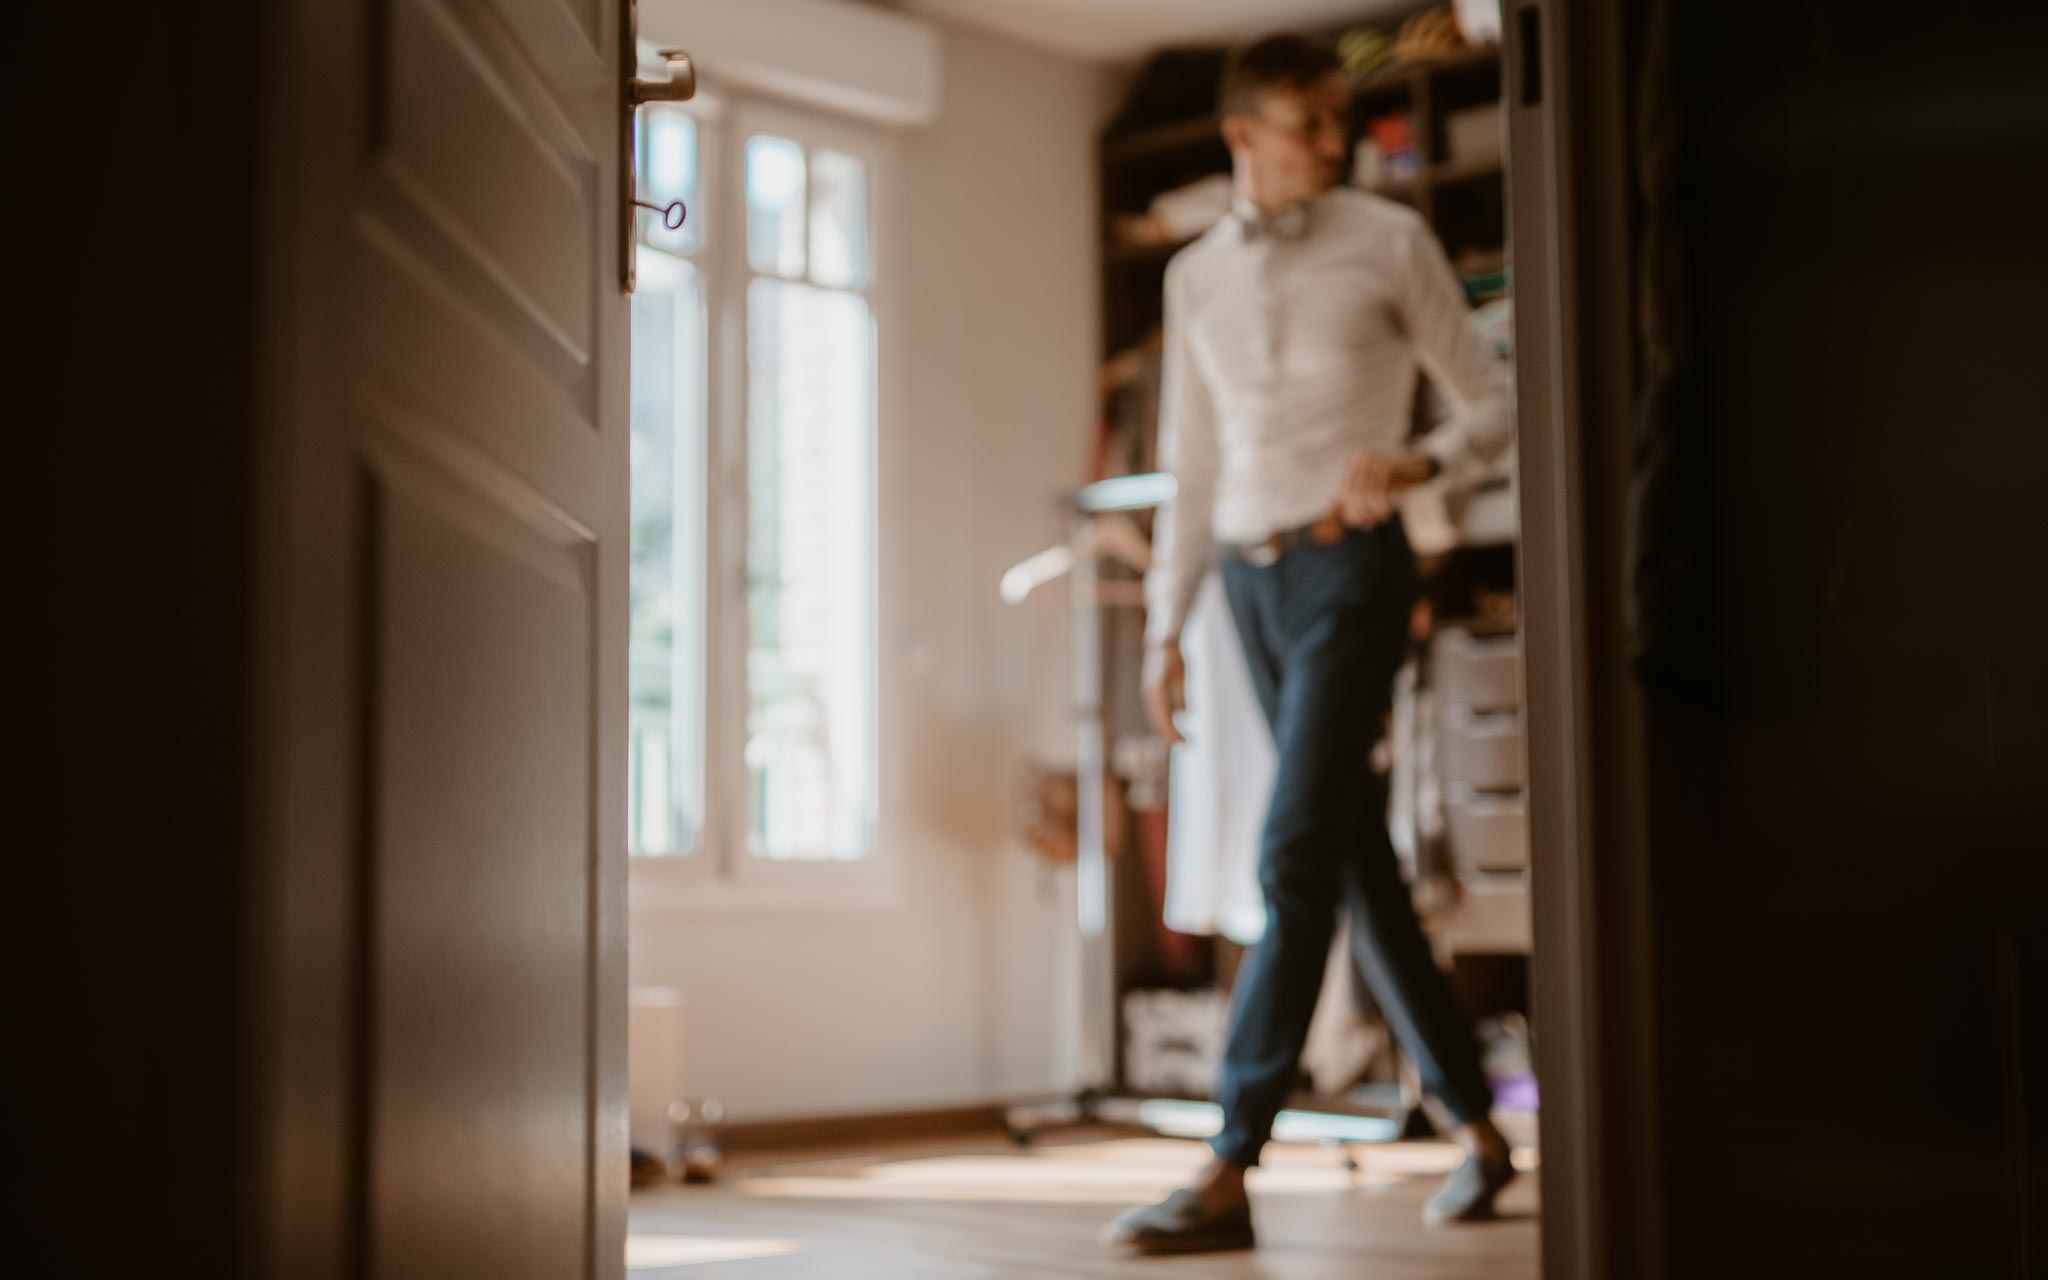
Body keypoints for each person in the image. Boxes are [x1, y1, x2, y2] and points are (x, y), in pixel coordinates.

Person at [1105, 32, 1518, 1255]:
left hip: (1354, 563)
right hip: (1244, 577)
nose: (1336, 146)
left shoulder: (1388, 240)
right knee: (1349, 863)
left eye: (1340, 122)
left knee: (1290, 849)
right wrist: (1162, 626)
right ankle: (1479, 1124)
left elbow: (1490, 402)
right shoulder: (1191, 278)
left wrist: (1418, 459)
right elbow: (1186, 465)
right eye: (1310, 125)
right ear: (1243, 135)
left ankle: (1230, 1158)